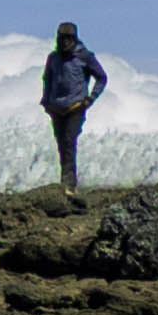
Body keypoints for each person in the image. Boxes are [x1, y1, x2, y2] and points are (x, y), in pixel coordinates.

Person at [40, 21, 105, 191]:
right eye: (62, 38)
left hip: (75, 107)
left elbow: (102, 77)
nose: (65, 42)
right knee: (62, 144)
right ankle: (67, 181)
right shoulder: (53, 58)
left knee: (69, 141)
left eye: (69, 38)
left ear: (75, 38)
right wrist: (46, 100)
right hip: (56, 108)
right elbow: (47, 78)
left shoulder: (85, 57)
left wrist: (91, 98)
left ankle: (69, 183)